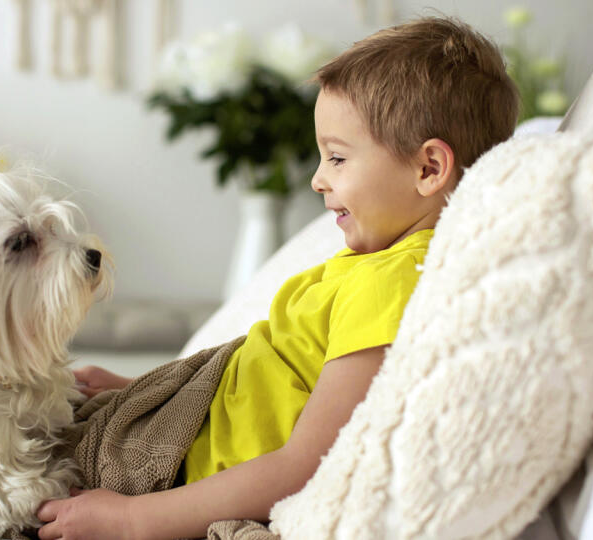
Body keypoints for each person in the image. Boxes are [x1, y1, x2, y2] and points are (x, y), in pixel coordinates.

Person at [38, 15, 519, 540]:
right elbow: (266, 379)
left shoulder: (394, 283)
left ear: (429, 168)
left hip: (177, 484)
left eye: (337, 158)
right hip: (179, 430)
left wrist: (135, 520)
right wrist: (146, 391)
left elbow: (306, 463)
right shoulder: (374, 262)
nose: (317, 179)